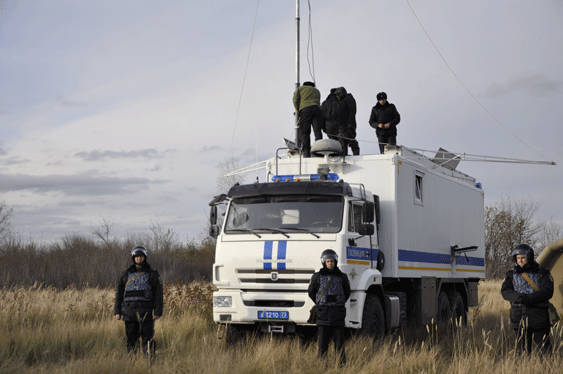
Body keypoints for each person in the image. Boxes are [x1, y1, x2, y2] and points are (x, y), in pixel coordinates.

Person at [501, 243, 554, 354]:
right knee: (522, 353)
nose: (520, 260)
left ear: (529, 257)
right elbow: (505, 291)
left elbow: (548, 291)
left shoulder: (542, 273)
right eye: (518, 258)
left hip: (539, 317)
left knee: (545, 353)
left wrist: (529, 298)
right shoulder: (511, 275)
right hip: (519, 316)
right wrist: (520, 298)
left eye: (523, 257)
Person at [114, 245, 164, 356]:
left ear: (145, 257)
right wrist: (117, 311)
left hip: (146, 313)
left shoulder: (152, 273)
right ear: (133, 258)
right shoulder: (125, 274)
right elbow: (119, 294)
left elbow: (158, 294)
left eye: (140, 257)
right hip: (129, 313)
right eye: (136, 257)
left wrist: (157, 312)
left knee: (148, 339)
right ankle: (132, 363)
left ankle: (150, 363)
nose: (138, 259)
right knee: (131, 339)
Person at [308, 249, 351, 364]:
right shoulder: (317, 277)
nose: (330, 264)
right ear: (324, 262)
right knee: (322, 345)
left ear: (335, 262)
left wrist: (338, 303)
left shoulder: (343, 277)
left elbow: (347, 293)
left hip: (338, 315)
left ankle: (341, 367)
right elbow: (311, 292)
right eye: (327, 262)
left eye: (331, 261)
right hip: (323, 315)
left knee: (339, 345)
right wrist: (321, 303)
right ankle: (323, 366)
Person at [293, 81, 323, 158]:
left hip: (305, 109)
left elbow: (295, 100)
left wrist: (298, 110)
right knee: (317, 131)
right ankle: (319, 150)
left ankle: (306, 153)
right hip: (317, 109)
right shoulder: (317, 91)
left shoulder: (300, 89)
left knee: (305, 132)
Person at [335, 87, 360, 156]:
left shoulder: (348, 98)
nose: (337, 97)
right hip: (342, 125)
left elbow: (352, 111)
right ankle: (344, 157)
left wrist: (350, 123)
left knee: (351, 140)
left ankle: (356, 156)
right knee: (342, 143)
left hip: (348, 124)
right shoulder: (342, 101)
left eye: (338, 95)